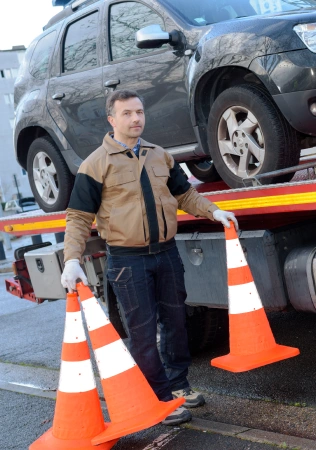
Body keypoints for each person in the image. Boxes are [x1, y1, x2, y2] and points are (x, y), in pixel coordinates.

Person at [60, 89, 238, 425]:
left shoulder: (160, 156)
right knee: (142, 332)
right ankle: (158, 399)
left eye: (139, 112)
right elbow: (78, 217)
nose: (136, 119)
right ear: (112, 120)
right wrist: (72, 259)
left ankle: (178, 385)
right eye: (127, 113)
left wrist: (214, 212)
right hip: (128, 261)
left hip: (167, 254)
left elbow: (185, 194)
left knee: (176, 323)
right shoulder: (95, 164)